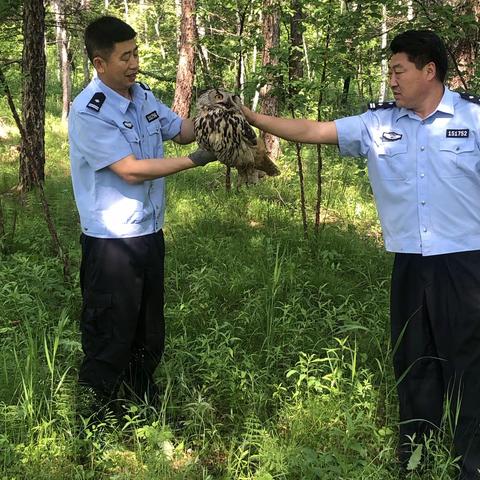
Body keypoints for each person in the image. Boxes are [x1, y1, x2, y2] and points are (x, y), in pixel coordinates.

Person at [243, 30, 480, 479]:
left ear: (429, 71)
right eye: (389, 71)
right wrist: (253, 117)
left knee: (469, 366)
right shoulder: (379, 124)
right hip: (410, 263)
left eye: (399, 70)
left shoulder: (474, 119)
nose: (391, 80)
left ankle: (472, 463)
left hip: (467, 263)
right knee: (414, 361)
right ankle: (416, 458)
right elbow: (312, 131)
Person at [68, 16, 216, 414]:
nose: (134, 63)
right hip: (111, 241)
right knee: (110, 329)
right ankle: (96, 411)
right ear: (100, 64)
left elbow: (180, 129)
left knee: (148, 328)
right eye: (125, 57)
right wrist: (195, 160)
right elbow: (129, 169)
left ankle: (139, 397)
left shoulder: (143, 96)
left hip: (149, 232)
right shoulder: (89, 111)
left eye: (136, 53)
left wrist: (216, 117)